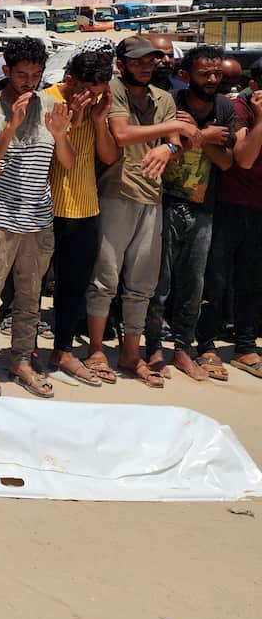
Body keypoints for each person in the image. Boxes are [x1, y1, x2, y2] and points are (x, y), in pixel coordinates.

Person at [85, 36, 193, 389]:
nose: (146, 66)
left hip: (151, 196)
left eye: (151, 60)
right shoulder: (113, 91)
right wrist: (175, 130)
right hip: (115, 193)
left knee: (142, 284)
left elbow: (177, 142)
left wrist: (169, 147)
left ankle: (131, 354)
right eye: (138, 61)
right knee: (105, 279)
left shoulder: (163, 98)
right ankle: (97, 350)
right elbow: (121, 134)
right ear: (121, 64)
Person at [0, 38, 74, 398]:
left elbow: (67, 163)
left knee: (30, 298)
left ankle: (21, 359)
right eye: (21, 74)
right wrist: (11, 126)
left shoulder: (52, 106)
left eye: (35, 75)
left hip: (38, 219)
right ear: (7, 71)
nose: (29, 82)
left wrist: (60, 135)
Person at [145, 45, 235, 381]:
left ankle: (183, 348)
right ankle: (154, 347)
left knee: (193, 284)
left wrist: (200, 136)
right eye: (204, 73)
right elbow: (159, 152)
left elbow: (226, 162)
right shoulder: (171, 103)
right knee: (160, 283)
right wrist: (203, 136)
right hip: (165, 201)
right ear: (185, 75)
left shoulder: (223, 107)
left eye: (216, 74)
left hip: (203, 206)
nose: (212, 79)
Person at [43, 46, 120, 385]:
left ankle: (62, 350)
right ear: (71, 80)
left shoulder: (97, 108)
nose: (93, 97)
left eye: (99, 91)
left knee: (73, 287)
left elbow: (108, 156)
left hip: (85, 207)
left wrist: (99, 121)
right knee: (30, 286)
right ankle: (23, 352)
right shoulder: (47, 100)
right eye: (89, 90)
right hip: (46, 209)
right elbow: (60, 158)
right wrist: (71, 120)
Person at [200, 70, 262, 377]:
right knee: (217, 280)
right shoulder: (239, 109)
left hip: (258, 209)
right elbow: (245, 158)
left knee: (252, 282)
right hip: (229, 205)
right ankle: (206, 345)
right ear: (254, 86)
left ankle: (245, 348)